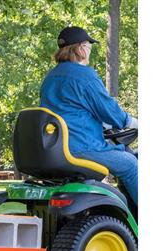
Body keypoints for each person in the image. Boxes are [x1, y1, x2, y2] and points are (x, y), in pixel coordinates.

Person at [39, 26, 138, 206]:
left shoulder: (50, 78)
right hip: (81, 147)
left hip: (54, 149)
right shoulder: (84, 75)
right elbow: (110, 112)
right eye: (88, 45)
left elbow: (70, 111)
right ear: (80, 49)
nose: (89, 50)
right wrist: (132, 122)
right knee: (131, 164)